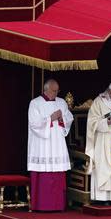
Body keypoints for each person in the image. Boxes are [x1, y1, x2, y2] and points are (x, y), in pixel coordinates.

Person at [27, 79, 74, 211]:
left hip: (57, 142)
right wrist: (50, 118)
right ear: (46, 89)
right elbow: (34, 124)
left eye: (57, 91)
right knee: (44, 175)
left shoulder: (61, 102)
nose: (56, 93)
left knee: (57, 174)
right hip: (42, 145)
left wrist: (61, 118)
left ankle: (57, 205)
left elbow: (69, 118)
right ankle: (42, 205)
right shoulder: (35, 103)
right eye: (54, 91)